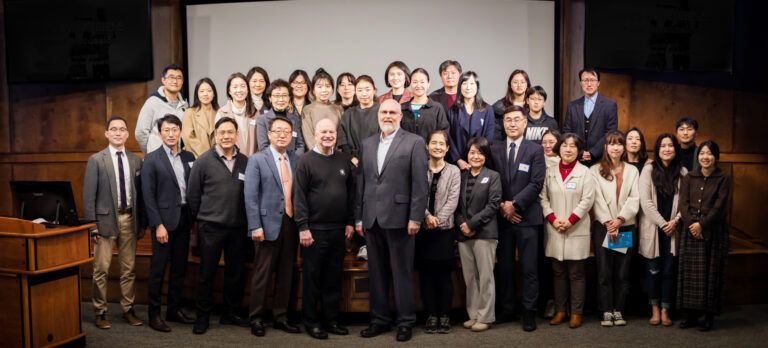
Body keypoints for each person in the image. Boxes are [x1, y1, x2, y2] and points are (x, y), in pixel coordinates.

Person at [356, 99, 428, 342]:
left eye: (392, 112)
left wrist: (416, 217)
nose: (387, 115)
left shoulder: (414, 142)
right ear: (379, 115)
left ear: (400, 116)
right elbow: (362, 184)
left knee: (402, 273)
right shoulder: (367, 144)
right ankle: (379, 320)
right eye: (384, 112)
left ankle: (405, 322)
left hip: (401, 219)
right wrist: (359, 217)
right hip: (372, 219)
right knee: (376, 274)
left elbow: (420, 184)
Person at [293, 118, 356, 339]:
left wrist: (350, 221)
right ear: (316, 135)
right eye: (323, 132)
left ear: (336, 135)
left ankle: (331, 320)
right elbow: (298, 196)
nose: (328, 135)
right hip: (314, 230)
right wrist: (303, 227)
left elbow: (351, 194)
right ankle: (311, 322)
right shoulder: (306, 161)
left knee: (332, 277)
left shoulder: (343, 160)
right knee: (312, 278)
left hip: (339, 230)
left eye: (331, 132)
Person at [187, 118, 250, 334]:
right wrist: (203, 218)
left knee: (235, 273)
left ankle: (230, 313)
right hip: (211, 227)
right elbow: (193, 195)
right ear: (216, 135)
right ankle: (202, 316)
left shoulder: (245, 161)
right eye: (222, 132)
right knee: (207, 273)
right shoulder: (203, 161)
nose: (226, 136)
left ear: (237, 134)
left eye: (230, 132)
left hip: (238, 228)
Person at [488, 105, 546, 332]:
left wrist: (515, 204)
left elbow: (536, 182)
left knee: (530, 267)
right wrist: (503, 205)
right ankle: (507, 308)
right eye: (508, 120)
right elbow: (492, 179)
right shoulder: (494, 149)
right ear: (503, 124)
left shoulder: (535, 149)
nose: (512, 123)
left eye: (517, 120)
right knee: (504, 267)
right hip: (503, 218)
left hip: (527, 218)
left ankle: (529, 311)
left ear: (525, 123)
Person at [84, 116, 145, 329]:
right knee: (101, 269)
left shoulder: (136, 160)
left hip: (129, 219)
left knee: (129, 269)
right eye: (113, 129)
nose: (118, 133)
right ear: (107, 134)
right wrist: (92, 226)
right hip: (104, 222)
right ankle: (100, 311)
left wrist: (141, 223)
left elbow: (141, 196)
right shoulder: (96, 160)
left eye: (122, 129)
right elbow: (88, 197)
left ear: (128, 134)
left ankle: (128, 309)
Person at [244, 116, 301, 337]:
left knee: (287, 273)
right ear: (268, 135)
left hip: (291, 222)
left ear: (291, 135)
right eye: (277, 131)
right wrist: (255, 226)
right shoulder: (257, 160)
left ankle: (281, 316)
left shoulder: (296, 159)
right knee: (262, 274)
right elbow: (250, 197)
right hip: (266, 225)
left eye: (286, 131)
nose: (282, 135)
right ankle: (256, 317)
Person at [141, 115, 196, 332]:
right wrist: (158, 225)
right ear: (160, 133)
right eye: (167, 130)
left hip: (184, 218)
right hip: (163, 222)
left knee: (180, 268)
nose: (171, 134)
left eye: (175, 130)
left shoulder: (189, 157)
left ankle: (173, 309)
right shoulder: (152, 159)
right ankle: (154, 315)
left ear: (180, 132)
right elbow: (148, 195)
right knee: (158, 269)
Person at [540, 133, 596, 329]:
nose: (568, 149)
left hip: (576, 228)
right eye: (564, 145)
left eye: (573, 146)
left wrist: (570, 221)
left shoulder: (585, 172)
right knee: (558, 272)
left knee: (576, 273)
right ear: (559, 148)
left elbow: (587, 200)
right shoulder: (549, 171)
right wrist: (554, 220)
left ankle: (576, 312)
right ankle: (561, 310)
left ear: (578, 150)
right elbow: (543, 198)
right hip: (555, 228)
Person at [677, 141, 731, 332]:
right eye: (702, 153)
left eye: (709, 154)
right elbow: (683, 203)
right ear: (697, 156)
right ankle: (691, 314)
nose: (705, 157)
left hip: (712, 230)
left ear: (716, 157)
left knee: (710, 273)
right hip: (691, 228)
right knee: (691, 274)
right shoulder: (689, 177)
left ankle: (708, 316)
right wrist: (693, 223)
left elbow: (720, 206)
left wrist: (703, 224)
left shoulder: (723, 178)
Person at [589, 131, 640, 327]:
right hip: (603, 227)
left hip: (625, 227)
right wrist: (609, 223)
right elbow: (597, 200)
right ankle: (605, 310)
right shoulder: (595, 170)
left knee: (622, 272)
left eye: (619, 144)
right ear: (605, 147)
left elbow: (635, 198)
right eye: (611, 144)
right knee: (604, 272)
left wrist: (619, 220)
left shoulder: (632, 171)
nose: (616, 147)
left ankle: (618, 309)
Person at [638, 133, 687, 327]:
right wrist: (663, 223)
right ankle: (655, 309)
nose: (667, 149)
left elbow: (686, 202)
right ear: (657, 150)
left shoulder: (682, 172)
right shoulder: (648, 170)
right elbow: (645, 202)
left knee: (669, 270)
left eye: (670, 146)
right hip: (654, 228)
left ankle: (666, 309)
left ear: (675, 149)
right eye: (663, 146)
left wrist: (675, 221)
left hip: (674, 230)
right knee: (653, 270)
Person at [455, 137, 502, 333]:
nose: (476, 156)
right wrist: (462, 225)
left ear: (485, 156)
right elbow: (455, 205)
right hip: (464, 234)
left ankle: (486, 316)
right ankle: (473, 314)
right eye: (472, 152)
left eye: (480, 153)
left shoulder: (493, 176)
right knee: (470, 277)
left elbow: (493, 204)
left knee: (485, 277)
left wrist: (472, 224)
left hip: (485, 233)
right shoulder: (461, 176)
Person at [418, 130, 461, 334]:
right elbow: (416, 195)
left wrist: (437, 220)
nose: (437, 146)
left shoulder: (454, 171)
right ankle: (431, 315)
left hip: (444, 231)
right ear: (427, 145)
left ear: (447, 148)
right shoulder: (418, 168)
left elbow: (453, 200)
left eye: (441, 143)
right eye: (433, 143)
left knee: (444, 276)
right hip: (423, 230)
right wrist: (426, 216)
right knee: (426, 275)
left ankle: (445, 316)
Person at [563, 67, 618, 166]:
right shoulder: (572, 106)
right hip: (576, 159)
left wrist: (593, 152)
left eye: (592, 80)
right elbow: (567, 132)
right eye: (585, 80)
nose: (589, 84)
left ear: (598, 83)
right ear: (580, 83)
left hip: (601, 160)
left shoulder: (610, 105)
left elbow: (610, 133)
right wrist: (579, 152)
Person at [447, 71, 495, 170]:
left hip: (481, 161)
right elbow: (449, 137)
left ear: (477, 86)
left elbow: (489, 137)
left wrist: (476, 158)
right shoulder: (453, 111)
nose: (468, 87)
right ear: (460, 86)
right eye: (464, 83)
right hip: (458, 164)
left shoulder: (487, 110)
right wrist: (458, 159)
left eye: (472, 84)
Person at [136, 64, 188, 154]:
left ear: (182, 81)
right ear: (163, 80)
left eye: (179, 78)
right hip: (157, 157)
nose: (175, 81)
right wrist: (150, 153)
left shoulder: (185, 106)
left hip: (177, 156)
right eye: (171, 77)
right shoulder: (152, 102)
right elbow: (141, 132)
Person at [337, 75, 380, 167]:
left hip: (377, 161)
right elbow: (343, 140)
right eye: (360, 90)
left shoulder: (382, 111)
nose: (364, 94)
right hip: (353, 163)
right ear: (355, 92)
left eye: (367, 89)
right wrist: (352, 158)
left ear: (374, 91)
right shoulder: (348, 114)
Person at [256, 79, 305, 155]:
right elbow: (263, 147)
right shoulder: (262, 119)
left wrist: (292, 161)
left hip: (293, 163)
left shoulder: (295, 119)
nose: (281, 99)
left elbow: (300, 145)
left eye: (284, 95)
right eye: (277, 96)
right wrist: (280, 160)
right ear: (270, 98)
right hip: (270, 163)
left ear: (289, 98)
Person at [215, 72, 259, 157]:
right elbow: (218, 142)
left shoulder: (255, 113)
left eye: (243, 86)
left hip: (253, 163)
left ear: (247, 89)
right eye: (235, 87)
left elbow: (259, 142)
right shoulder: (222, 113)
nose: (239, 90)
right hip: (230, 163)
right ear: (229, 91)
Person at [400, 68, 450, 140]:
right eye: (415, 82)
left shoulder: (437, 108)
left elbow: (444, 134)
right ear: (410, 83)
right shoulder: (402, 108)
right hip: (406, 151)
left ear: (428, 84)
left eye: (422, 82)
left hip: (430, 151)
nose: (418, 85)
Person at [301, 68, 344, 150]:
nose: (324, 90)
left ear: (332, 89)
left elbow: (341, 137)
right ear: (313, 90)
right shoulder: (308, 110)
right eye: (319, 87)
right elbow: (308, 137)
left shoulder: (338, 109)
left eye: (327, 86)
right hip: (315, 156)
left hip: (336, 156)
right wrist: (320, 154)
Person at [182, 77, 219, 158]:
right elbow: (188, 138)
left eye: (209, 91)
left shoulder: (219, 113)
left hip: (216, 159)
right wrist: (207, 157)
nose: (205, 94)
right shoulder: (190, 112)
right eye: (202, 91)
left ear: (214, 94)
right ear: (197, 94)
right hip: (195, 158)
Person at [492, 70, 530, 142]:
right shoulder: (499, 108)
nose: (519, 85)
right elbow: (496, 136)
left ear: (527, 84)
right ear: (510, 85)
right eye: (515, 82)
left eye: (522, 82)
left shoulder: (533, 105)